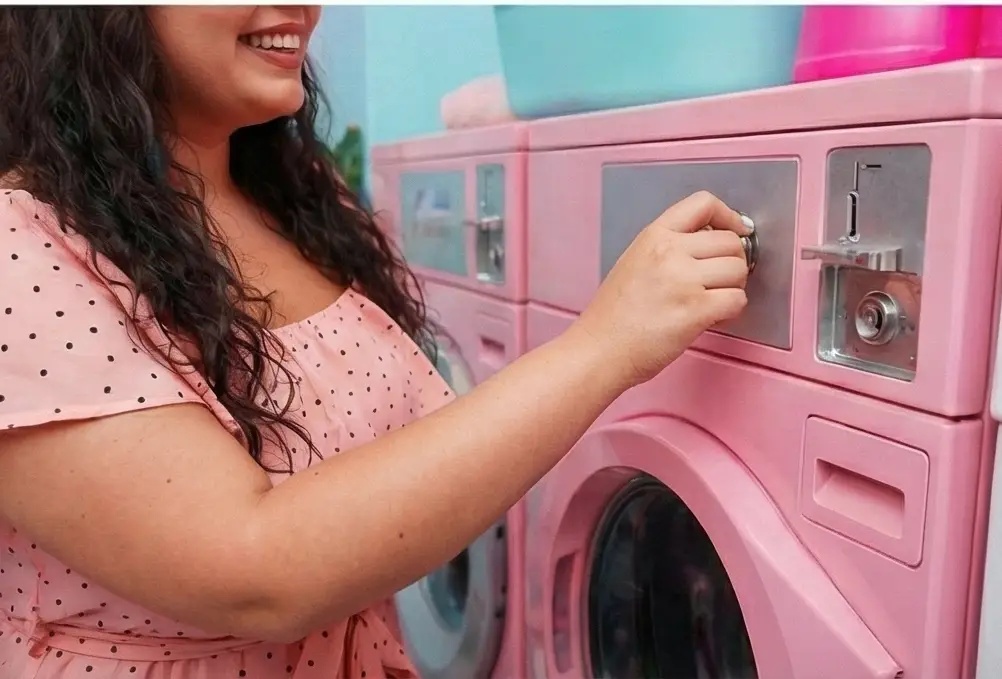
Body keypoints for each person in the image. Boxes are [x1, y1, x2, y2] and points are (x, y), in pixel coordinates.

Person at [0, 6, 750, 679]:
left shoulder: (294, 198)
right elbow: (254, 571)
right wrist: (605, 344)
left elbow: (422, 460)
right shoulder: (22, 245)